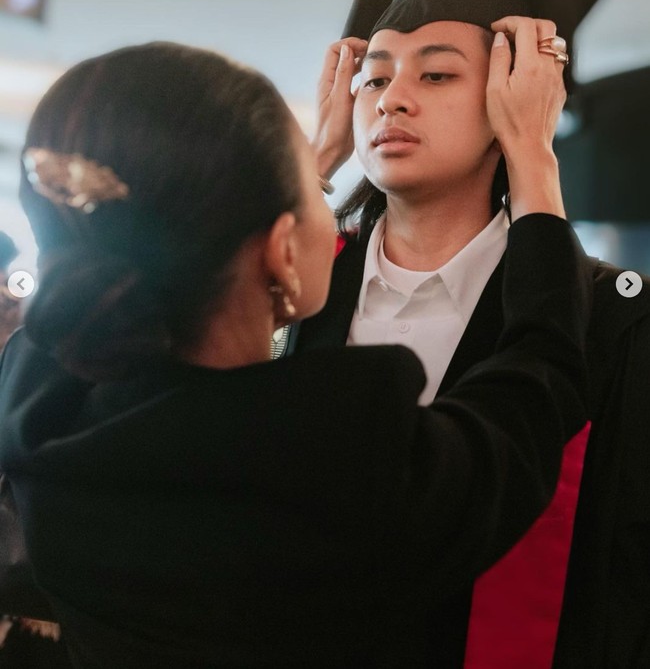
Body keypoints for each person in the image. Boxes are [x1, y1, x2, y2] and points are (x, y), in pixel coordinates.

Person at [0, 40, 590, 667]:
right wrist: (533, 155)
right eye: (312, 195)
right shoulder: (338, 455)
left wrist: (280, 170)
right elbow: (540, 377)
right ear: (283, 250)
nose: (391, 98)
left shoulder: (37, 401)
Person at [293, 0, 650, 668]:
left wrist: (533, 151)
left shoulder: (609, 323)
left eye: (436, 73)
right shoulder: (296, 293)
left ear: (508, 98)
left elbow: (625, 581)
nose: (392, 98)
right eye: (376, 76)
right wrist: (312, 159)